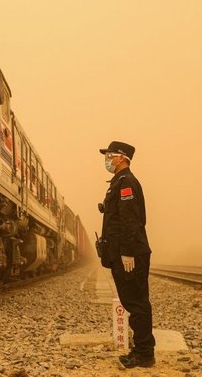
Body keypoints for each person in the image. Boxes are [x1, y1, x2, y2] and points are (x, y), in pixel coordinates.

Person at [99, 141, 156, 368]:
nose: (107, 160)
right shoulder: (119, 183)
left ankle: (144, 355)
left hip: (129, 255)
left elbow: (131, 220)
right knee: (133, 301)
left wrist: (128, 252)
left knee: (137, 302)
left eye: (110, 156)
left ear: (121, 158)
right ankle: (142, 349)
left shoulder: (127, 184)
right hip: (122, 253)